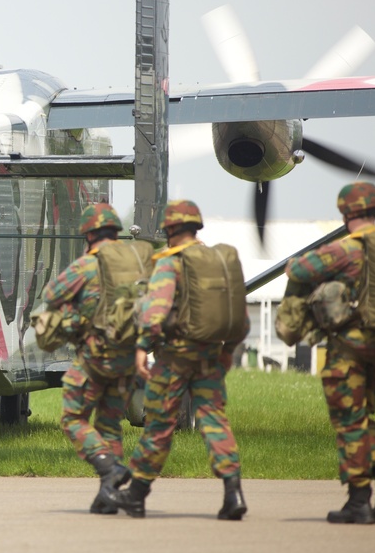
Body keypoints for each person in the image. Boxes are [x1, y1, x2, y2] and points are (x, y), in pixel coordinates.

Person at [106, 200, 249, 519]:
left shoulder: (172, 262)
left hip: (175, 358)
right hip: (211, 355)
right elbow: (238, 314)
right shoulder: (219, 261)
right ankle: (233, 492)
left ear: (170, 230)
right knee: (214, 419)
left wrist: (143, 346)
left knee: (159, 423)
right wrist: (227, 351)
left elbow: (155, 309)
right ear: (196, 227)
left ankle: (137, 493)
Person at [284, 182, 375, 524]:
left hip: (351, 349)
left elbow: (298, 270)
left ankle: (358, 501)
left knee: (351, 421)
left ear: (345, 213)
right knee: (368, 419)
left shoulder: (347, 249)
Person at [42, 203, 139, 514]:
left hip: (95, 357)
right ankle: (108, 496)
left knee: (73, 419)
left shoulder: (87, 265)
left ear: (89, 234)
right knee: (110, 424)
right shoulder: (134, 264)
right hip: (126, 359)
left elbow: (52, 294)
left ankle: (109, 468)